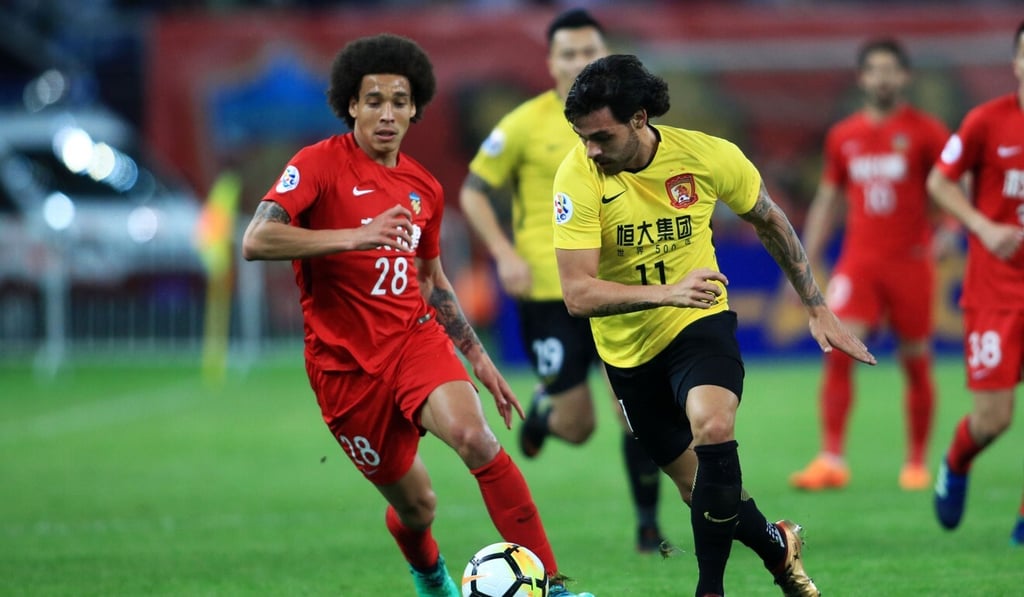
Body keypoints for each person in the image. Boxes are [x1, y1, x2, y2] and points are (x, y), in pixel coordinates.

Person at [241, 34, 594, 597]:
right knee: (418, 506)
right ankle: (430, 575)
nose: (387, 113)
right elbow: (256, 239)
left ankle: (550, 585)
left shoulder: (423, 187)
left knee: (475, 436)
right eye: (374, 100)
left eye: (400, 101)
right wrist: (356, 237)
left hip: (414, 342)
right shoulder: (317, 165)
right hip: (345, 371)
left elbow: (431, 279)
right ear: (351, 105)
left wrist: (476, 356)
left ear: (415, 108)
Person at [552, 54, 877, 597]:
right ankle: (779, 548)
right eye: (582, 137)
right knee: (700, 490)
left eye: (601, 137)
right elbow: (577, 293)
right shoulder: (578, 176)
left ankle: (710, 590)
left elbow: (769, 219)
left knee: (713, 425)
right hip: (628, 353)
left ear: (639, 119)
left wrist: (816, 306)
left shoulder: (707, 157)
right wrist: (664, 293)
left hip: (699, 323)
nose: (590, 149)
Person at [458, 7, 666, 552]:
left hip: (616, 291)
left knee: (635, 413)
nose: (578, 61)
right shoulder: (523, 123)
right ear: (550, 61)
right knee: (579, 427)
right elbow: (474, 191)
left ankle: (649, 527)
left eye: (587, 51)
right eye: (568, 53)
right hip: (551, 298)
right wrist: (504, 253)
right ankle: (548, 415)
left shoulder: (626, 120)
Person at [789, 39, 951, 492]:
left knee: (916, 362)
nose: (882, 78)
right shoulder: (844, 135)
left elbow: (953, 187)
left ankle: (916, 462)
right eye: (874, 70)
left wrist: (948, 232)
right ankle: (831, 459)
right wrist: (807, 257)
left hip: (912, 264)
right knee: (838, 352)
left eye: (890, 70)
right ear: (862, 78)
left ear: (905, 77)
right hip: (860, 262)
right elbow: (827, 199)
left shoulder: (927, 132)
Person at [929, 21, 1024, 546]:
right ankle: (957, 459)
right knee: (995, 419)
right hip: (995, 293)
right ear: (1015, 62)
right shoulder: (988, 121)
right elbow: (939, 181)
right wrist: (983, 227)